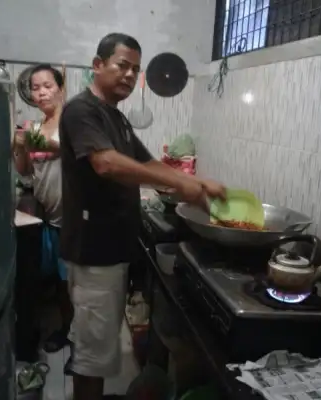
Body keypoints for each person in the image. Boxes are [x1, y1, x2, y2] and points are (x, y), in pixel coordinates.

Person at [59, 33, 226, 400]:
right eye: (122, 65)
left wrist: (191, 182)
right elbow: (105, 163)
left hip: (113, 251)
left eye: (136, 69)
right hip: (94, 254)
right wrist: (176, 183)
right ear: (98, 65)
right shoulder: (81, 110)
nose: (130, 75)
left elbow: (146, 160)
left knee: (99, 352)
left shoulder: (115, 118)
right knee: (92, 358)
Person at [13, 64, 73, 354]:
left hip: (73, 220)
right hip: (48, 216)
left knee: (68, 283)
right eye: (35, 88)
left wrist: (25, 138)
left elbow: (67, 149)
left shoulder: (72, 123)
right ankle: (59, 327)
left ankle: (71, 333)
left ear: (60, 89)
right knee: (49, 277)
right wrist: (19, 147)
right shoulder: (34, 127)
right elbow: (24, 171)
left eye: (47, 85)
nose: (41, 92)